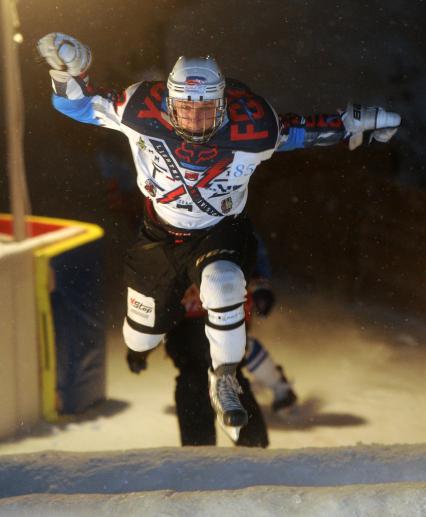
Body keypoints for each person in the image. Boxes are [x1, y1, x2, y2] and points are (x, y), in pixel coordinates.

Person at [37, 33, 401, 436]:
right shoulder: (140, 108)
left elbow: (302, 130)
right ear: (168, 102)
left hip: (219, 230)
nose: (194, 120)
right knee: (140, 339)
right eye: (186, 109)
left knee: (224, 283)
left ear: (224, 103)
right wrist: (70, 73)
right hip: (159, 236)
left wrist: (357, 123)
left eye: (206, 109)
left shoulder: (253, 126)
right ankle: (162, 344)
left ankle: (224, 376)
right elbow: (75, 105)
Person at [127, 233, 296, 446]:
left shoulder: (221, 218)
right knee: (198, 377)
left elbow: (248, 243)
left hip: (221, 303)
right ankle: (206, 456)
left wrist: (261, 284)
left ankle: (250, 449)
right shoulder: (164, 231)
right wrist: (141, 343)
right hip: (185, 320)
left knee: (230, 364)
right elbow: (151, 295)